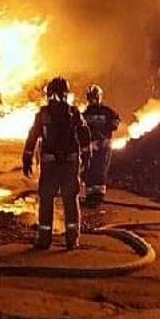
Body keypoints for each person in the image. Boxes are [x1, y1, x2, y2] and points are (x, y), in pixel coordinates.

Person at [23, 77, 90, 249]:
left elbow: (33, 136)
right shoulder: (73, 113)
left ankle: (44, 239)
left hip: (50, 165)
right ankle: (72, 239)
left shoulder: (43, 114)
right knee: (70, 199)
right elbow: (84, 134)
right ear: (66, 94)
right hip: (69, 163)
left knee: (46, 199)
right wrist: (86, 155)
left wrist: (27, 157)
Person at [81, 85, 122, 209]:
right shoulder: (85, 114)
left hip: (104, 147)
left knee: (100, 171)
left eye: (95, 97)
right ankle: (90, 197)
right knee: (88, 171)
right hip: (90, 147)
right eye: (91, 97)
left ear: (99, 97)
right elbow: (81, 129)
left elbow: (115, 122)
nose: (93, 100)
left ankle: (98, 198)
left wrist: (104, 132)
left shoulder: (107, 112)